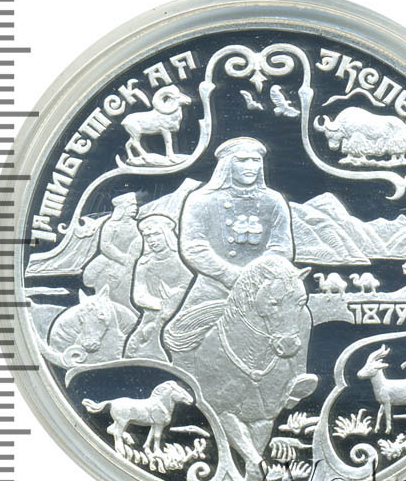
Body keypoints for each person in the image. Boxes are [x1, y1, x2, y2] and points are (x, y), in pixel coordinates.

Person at [176, 137, 294, 312]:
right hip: (213, 287)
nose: (250, 166)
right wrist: (230, 275)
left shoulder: (273, 200)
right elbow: (193, 247)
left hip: (263, 288)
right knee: (182, 328)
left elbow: (281, 248)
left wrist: (256, 275)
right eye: (242, 160)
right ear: (227, 164)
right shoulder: (201, 199)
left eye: (255, 160)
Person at [125, 215, 191, 360]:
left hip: (181, 316)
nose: (152, 240)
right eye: (147, 236)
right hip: (152, 317)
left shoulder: (181, 260)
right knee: (134, 349)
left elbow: (189, 287)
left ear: (166, 234)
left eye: (156, 234)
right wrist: (161, 304)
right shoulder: (144, 263)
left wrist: (174, 301)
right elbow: (139, 295)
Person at [83, 192, 142, 315]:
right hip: (112, 260)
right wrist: (122, 258)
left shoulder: (136, 225)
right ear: (122, 208)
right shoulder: (111, 225)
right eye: (131, 205)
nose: (135, 208)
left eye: (135, 205)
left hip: (132, 261)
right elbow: (105, 245)